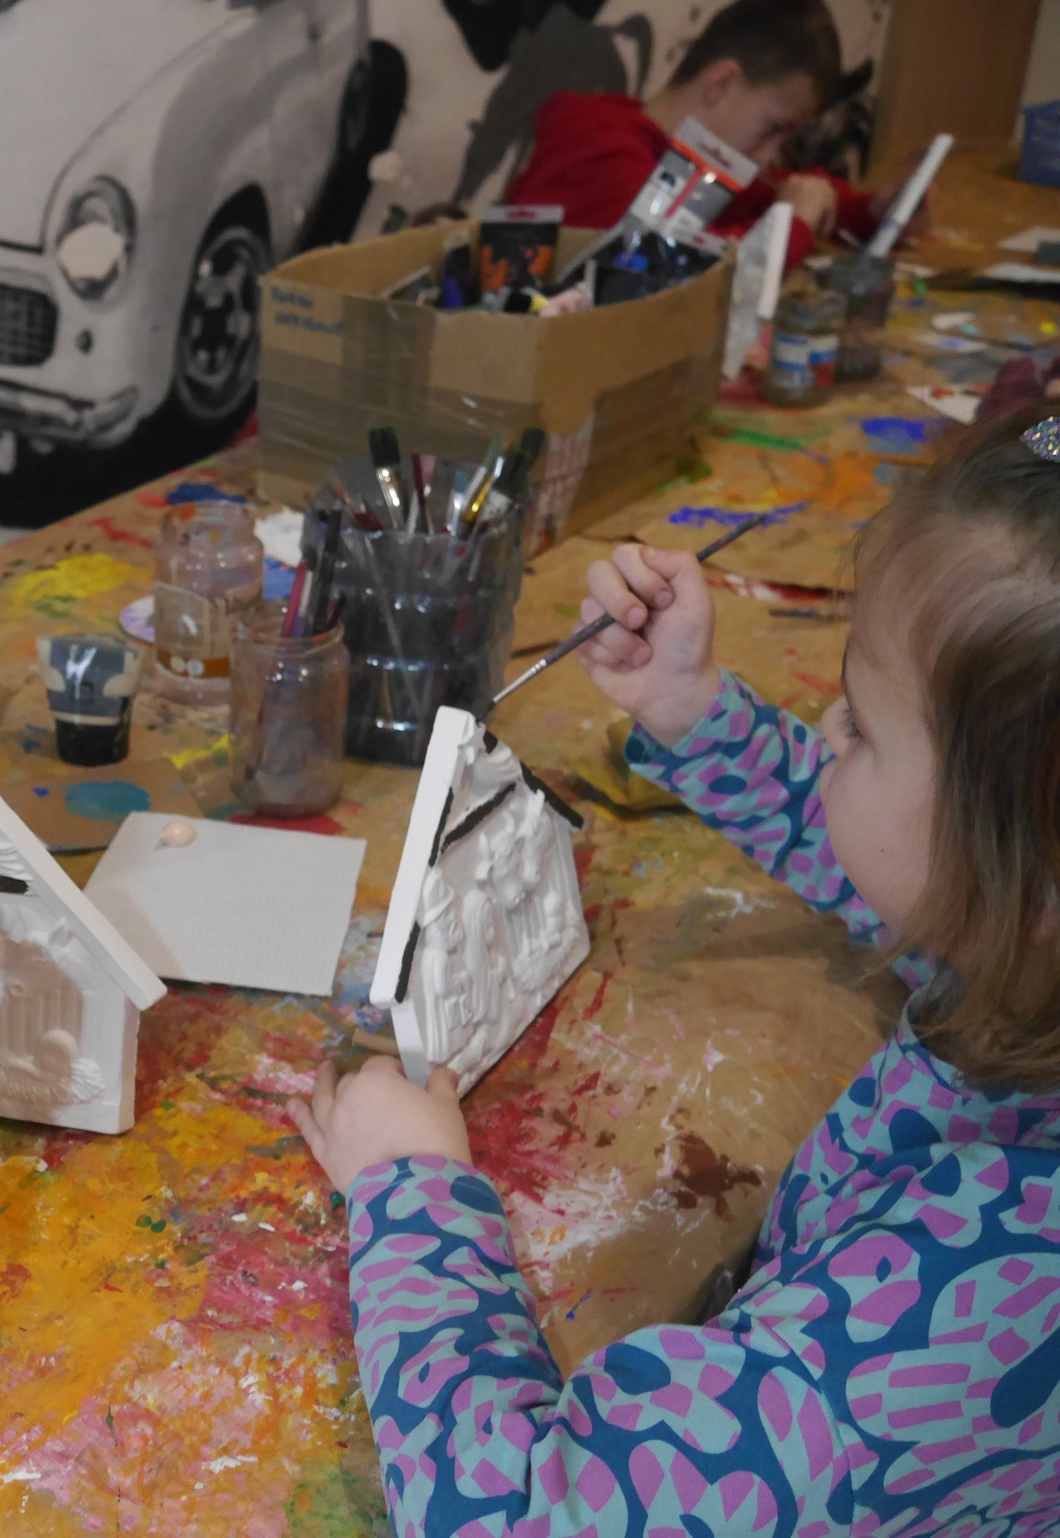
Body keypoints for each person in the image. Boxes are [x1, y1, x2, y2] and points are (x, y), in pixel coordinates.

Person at [293, 407, 1060, 1534]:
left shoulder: (972, 1312)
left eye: (862, 729)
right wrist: (695, 712)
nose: (827, 724)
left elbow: (506, 1514)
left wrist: (410, 1191)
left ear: (1021, 866)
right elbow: (917, 874)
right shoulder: (1022, 949)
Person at [506, 0, 923, 272]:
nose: (770, 157)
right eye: (774, 129)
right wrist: (789, 226)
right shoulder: (600, 151)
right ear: (721, 84)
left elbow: (769, 194)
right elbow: (658, 273)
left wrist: (874, 212)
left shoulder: (694, 162)